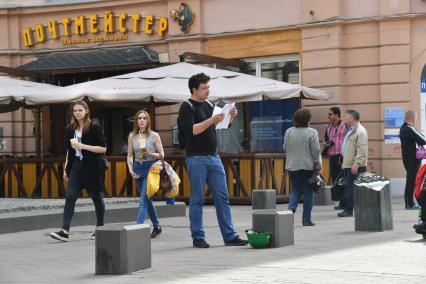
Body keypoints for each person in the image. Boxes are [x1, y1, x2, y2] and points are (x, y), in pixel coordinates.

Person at [178, 72, 248, 248]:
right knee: (197, 199)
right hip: (196, 158)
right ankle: (198, 237)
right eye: (204, 88)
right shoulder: (187, 107)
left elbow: (221, 125)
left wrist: (231, 116)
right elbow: (192, 130)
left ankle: (230, 236)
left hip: (214, 157)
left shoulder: (210, 104)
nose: (207, 90)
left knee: (223, 197)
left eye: (208, 87)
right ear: (194, 89)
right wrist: (211, 120)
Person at [49, 100, 107, 242]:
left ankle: (100, 227)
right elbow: (69, 151)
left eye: (80, 110)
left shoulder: (94, 127)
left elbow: (103, 149)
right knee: (70, 196)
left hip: (92, 167)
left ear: (86, 110)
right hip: (76, 166)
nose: (77, 113)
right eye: (75, 111)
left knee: (96, 197)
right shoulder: (70, 128)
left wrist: (83, 146)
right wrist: (66, 168)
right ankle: (64, 230)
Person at [127, 110, 164, 238]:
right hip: (137, 167)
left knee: (143, 199)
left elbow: (162, 155)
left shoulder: (154, 136)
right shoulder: (132, 136)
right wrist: (130, 169)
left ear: (148, 121)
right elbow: (130, 155)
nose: (142, 120)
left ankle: (137, 231)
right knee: (147, 200)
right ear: (136, 121)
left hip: (150, 167)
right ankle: (157, 226)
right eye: (139, 118)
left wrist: (150, 153)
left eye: (144, 118)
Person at [283, 108, 322, 226]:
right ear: (308, 120)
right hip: (308, 166)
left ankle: (290, 210)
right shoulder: (312, 132)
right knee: (308, 191)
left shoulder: (289, 131)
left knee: (295, 189)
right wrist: (318, 165)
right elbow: (316, 151)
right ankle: (306, 219)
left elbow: (285, 148)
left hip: (292, 165)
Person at [338, 109, 368, 217]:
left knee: (351, 188)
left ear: (352, 118)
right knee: (349, 187)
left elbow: (362, 150)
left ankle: (349, 210)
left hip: (354, 165)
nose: (344, 119)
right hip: (348, 164)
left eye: (346, 117)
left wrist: (356, 164)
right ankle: (350, 208)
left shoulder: (360, 131)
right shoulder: (351, 129)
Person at [399, 110, 426, 209]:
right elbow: (423, 140)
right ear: (413, 118)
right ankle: (409, 203)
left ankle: (409, 202)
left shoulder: (403, 128)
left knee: (411, 180)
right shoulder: (410, 128)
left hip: (407, 158)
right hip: (413, 159)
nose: (416, 120)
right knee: (411, 180)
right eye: (416, 118)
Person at [323, 107, 347, 210]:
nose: (328, 116)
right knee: (335, 179)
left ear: (337, 115)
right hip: (332, 155)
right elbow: (325, 139)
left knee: (342, 179)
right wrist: (325, 143)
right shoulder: (329, 126)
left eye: (330, 114)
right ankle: (339, 201)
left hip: (342, 156)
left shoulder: (344, 125)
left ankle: (345, 202)